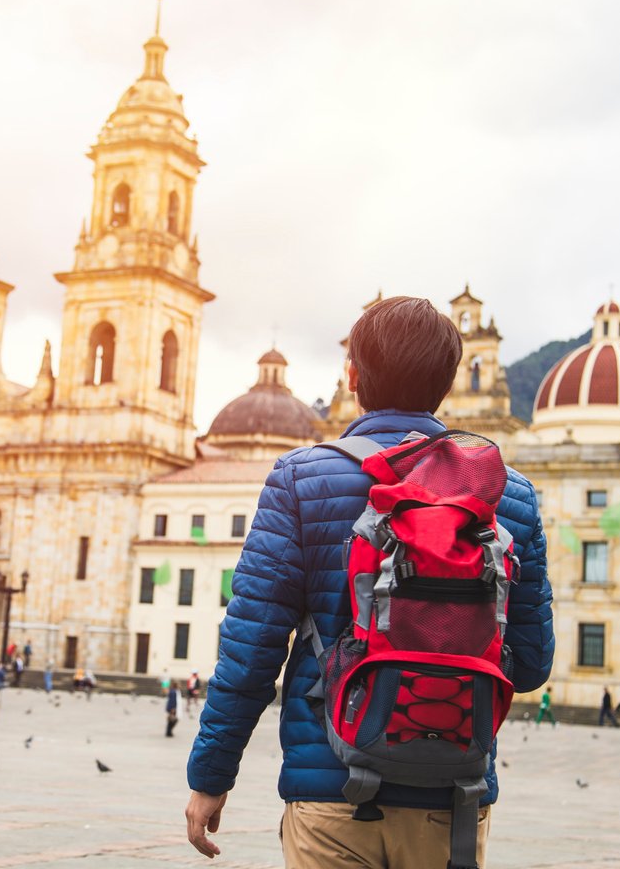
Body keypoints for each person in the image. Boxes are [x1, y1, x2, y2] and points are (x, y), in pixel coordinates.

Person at [185, 297, 554, 867]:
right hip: (453, 796)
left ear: (353, 377)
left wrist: (211, 774)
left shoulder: (298, 479)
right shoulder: (511, 496)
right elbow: (529, 665)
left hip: (330, 792)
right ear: (448, 382)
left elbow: (251, 647)